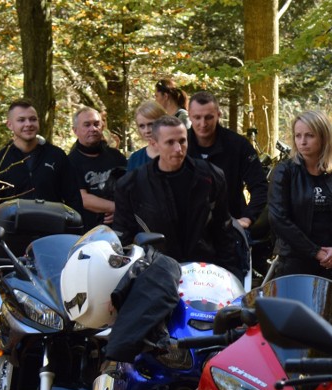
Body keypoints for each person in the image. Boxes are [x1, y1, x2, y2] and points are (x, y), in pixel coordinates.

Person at [113, 115, 247, 278]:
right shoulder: (131, 185)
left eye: (182, 141)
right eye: (170, 142)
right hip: (156, 274)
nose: (178, 148)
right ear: (154, 144)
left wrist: (232, 276)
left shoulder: (211, 176)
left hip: (204, 272)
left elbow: (223, 230)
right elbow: (124, 238)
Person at [268, 110, 332, 279]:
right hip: (294, 261)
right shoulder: (285, 171)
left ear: (323, 137)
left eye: (309, 135)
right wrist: (315, 252)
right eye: (298, 136)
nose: (302, 141)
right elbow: (278, 218)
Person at [0, 99, 82, 222]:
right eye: (21, 120)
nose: (28, 124)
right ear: (10, 125)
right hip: (12, 235)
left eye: (33, 119)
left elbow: (74, 199)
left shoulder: (56, 156)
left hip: (52, 233)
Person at [186, 91, 269, 228]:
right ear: (189, 116)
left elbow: (260, 186)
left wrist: (247, 218)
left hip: (231, 227)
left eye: (208, 117)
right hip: (189, 228)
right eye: (197, 117)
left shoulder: (238, 145)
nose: (203, 123)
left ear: (218, 115)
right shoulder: (179, 146)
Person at [68, 106, 127, 230]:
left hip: (122, 228)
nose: (93, 129)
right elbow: (83, 199)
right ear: (75, 130)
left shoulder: (116, 156)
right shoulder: (70, 162)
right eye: (87, 125)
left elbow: (131, 188)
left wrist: (123, 211)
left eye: (96, 124)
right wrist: (118, 208)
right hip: (88, 232)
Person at [127, 100, 168, 170]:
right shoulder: (135, 159)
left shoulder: (175, 154)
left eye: (151, 124)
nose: (147, 131)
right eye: (142, 126)